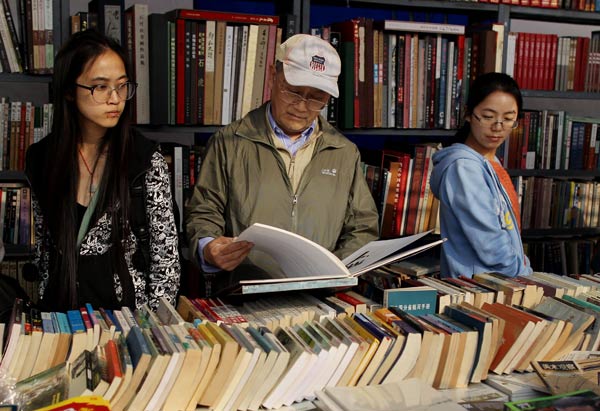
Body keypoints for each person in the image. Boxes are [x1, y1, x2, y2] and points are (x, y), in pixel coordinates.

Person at [185, 34, 379, 280]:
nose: (301, 106)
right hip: (246, 292)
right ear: (272, 76)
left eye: (316, 98)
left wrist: (334, 273)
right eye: (293, 91)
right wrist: (209, 248)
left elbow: (363, 227)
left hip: (320, 292)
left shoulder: (344, 152)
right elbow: (203, 212)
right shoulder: (229, 142)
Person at [25, 30, 180, 312]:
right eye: (100, 87)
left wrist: (152, 328)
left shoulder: (144, 160)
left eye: (122, 86)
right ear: (69, 91)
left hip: (127, 320)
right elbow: (45, 252)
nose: (115, 98)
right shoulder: (41, 159)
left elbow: (165, 261)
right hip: (62, 318)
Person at [430, 72, 532, 279]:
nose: (498, 127)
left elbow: (510, 236)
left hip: (501, 281)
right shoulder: (463, 168)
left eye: (508, 119)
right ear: (468, 114)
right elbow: (490, 243)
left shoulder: (490, 163)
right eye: (487, 117)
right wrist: (524, 276)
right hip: (481, 286)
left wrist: (523, 269)